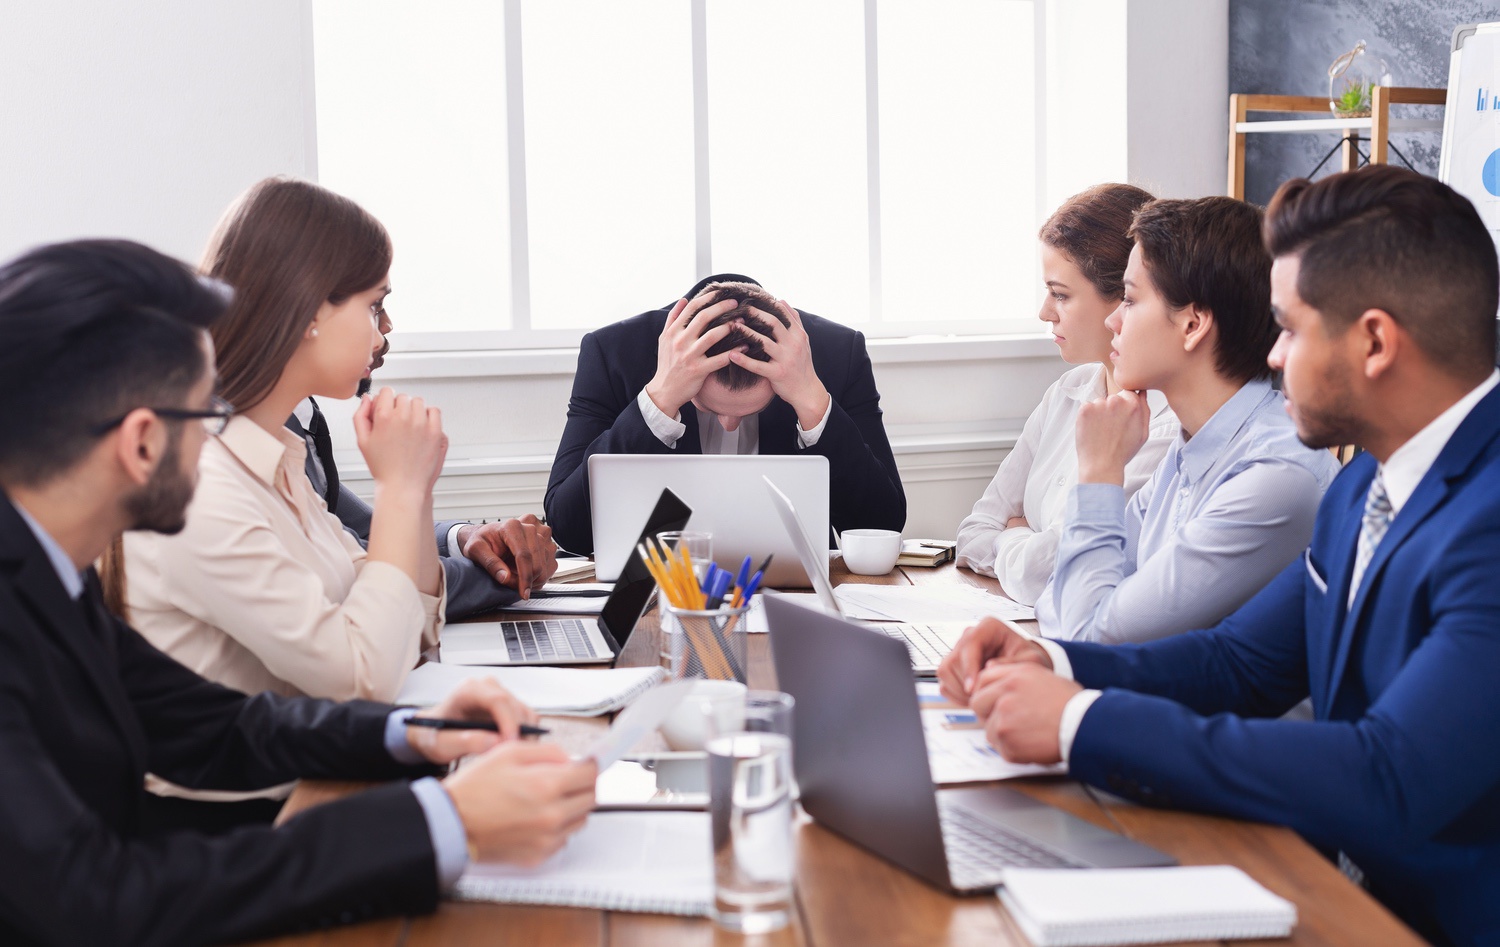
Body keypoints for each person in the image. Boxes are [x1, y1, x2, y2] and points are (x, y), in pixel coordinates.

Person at [938, 166, 1500, 946]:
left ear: (1375, 341)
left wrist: (1081, 722)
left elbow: (1389, 776)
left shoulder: (1489, 518)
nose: (1272, 358)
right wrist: (1055, 664)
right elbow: (1240, 663)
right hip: (1357, 901)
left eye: (1292, 329)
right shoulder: (1364, 481)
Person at [0, 239, 596, 946]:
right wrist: (446, 821)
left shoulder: (44, 573)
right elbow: (98, 900)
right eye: (204, 416)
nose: (216, 441)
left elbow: (219, 727)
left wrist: (415, 733)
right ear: (139, 443)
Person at [120, 177, 449, 708]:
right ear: (312, 311)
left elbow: (407, 633)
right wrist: (399, 491)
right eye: (372, 306)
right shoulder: (202, 487)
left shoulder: (278, 458)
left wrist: (419, 485)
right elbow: (366, 679)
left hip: (316, 764)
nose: (381, 334)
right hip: (265, 790)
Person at [1035, 196, 1339, 643]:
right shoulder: (1191, 446)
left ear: (1193, 325)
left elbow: (1091, 640)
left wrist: (1099, 472)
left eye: (1131, 300)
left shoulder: (1275, 478)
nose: (1114, 320)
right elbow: (1057, 598)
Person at [544, 275, 906, 554]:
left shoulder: (837, 354)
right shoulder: (613, 353)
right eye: (710, 407)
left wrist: (812, 401)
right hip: (654, 598)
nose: (730, 424)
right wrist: (659, 400)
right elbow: (569, 529)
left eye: (753, 409)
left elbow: (882, 525)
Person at [955, 184, 1177, 605]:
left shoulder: (1167, 426)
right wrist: (1026, 546)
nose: (1044, 311)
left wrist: (1014, 533)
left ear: (1123, 298)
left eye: (1060, 294)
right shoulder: (1066, 393)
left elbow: (1050, 575)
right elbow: (973, 531)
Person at [286, 296, 559, 616]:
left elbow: (367, 531)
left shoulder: (300, 417)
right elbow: (384, 582)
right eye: (374, 306)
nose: (385, 327)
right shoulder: (263, 444)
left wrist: (467, 537)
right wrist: (508, 573)